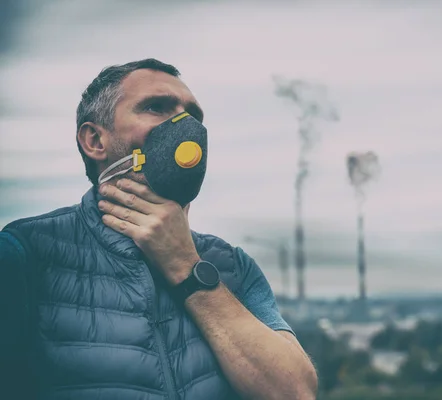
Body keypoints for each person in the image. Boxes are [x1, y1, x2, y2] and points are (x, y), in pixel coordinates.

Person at [0, 59, 317, 400]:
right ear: (94, 140)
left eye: (193, 116)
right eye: (156, 107)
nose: (185, 125)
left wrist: (186, 266)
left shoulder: (233, 267)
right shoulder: (25, 254)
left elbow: (294, 393)